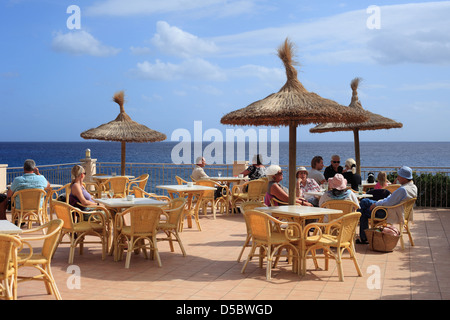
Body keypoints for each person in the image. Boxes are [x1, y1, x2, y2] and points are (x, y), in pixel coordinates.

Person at [357, 166, 417, 244]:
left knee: (364, 203)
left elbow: (389, 202)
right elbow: (390, 200)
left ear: (404, 178)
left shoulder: (403, 190)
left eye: (399, 176)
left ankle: (359, 231)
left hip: (386, 213)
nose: (398, 178)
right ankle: (364, 237)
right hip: (399, 212)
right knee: (363, 211)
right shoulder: (413, 187)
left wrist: (376, 204)